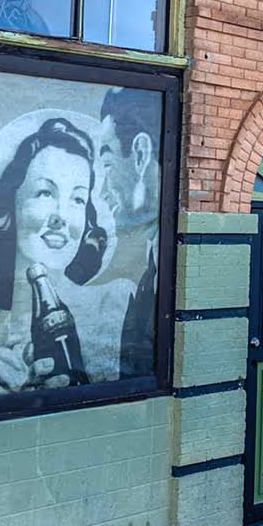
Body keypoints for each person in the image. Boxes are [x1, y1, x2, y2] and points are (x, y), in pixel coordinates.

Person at [0, 115, 135, 400]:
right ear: (9, 209)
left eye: (77, 199)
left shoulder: (118, 305)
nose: (61, 217)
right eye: (45, 193)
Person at [96, 88, 160, 379]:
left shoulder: (160, 273)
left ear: (140, 154)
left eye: (107, 164)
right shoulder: (152, 269)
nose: (102, 191)